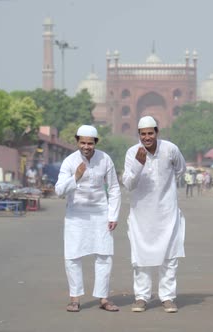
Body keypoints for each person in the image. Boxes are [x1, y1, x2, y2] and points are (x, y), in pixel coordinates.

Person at [122, 116, 186, 313]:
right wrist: (138, 166)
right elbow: (128, 184)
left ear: (157, 132)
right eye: (143, 134)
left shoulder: (170, 149)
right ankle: (142, 297)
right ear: (138, 135)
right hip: (141, 215)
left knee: (169, 256)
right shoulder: (132, 153)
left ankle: (167, 297)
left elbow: (181, 169)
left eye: (150, 133)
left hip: (167, 212)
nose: (147, 137)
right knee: (141, 257)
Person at [55, 125, 121, 313]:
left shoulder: (105, 159)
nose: (86, 146)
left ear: (95, 143)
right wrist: (76, 176)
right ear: (77, 142)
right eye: (82, 142)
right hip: (76, 214)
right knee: (73, 256)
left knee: (104, 255)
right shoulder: (69, 162)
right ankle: (75, 299)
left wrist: (113, 215)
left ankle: (103, 298)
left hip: (100, 212)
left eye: (89, 143)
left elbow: (114, 188)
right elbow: (59, 190)